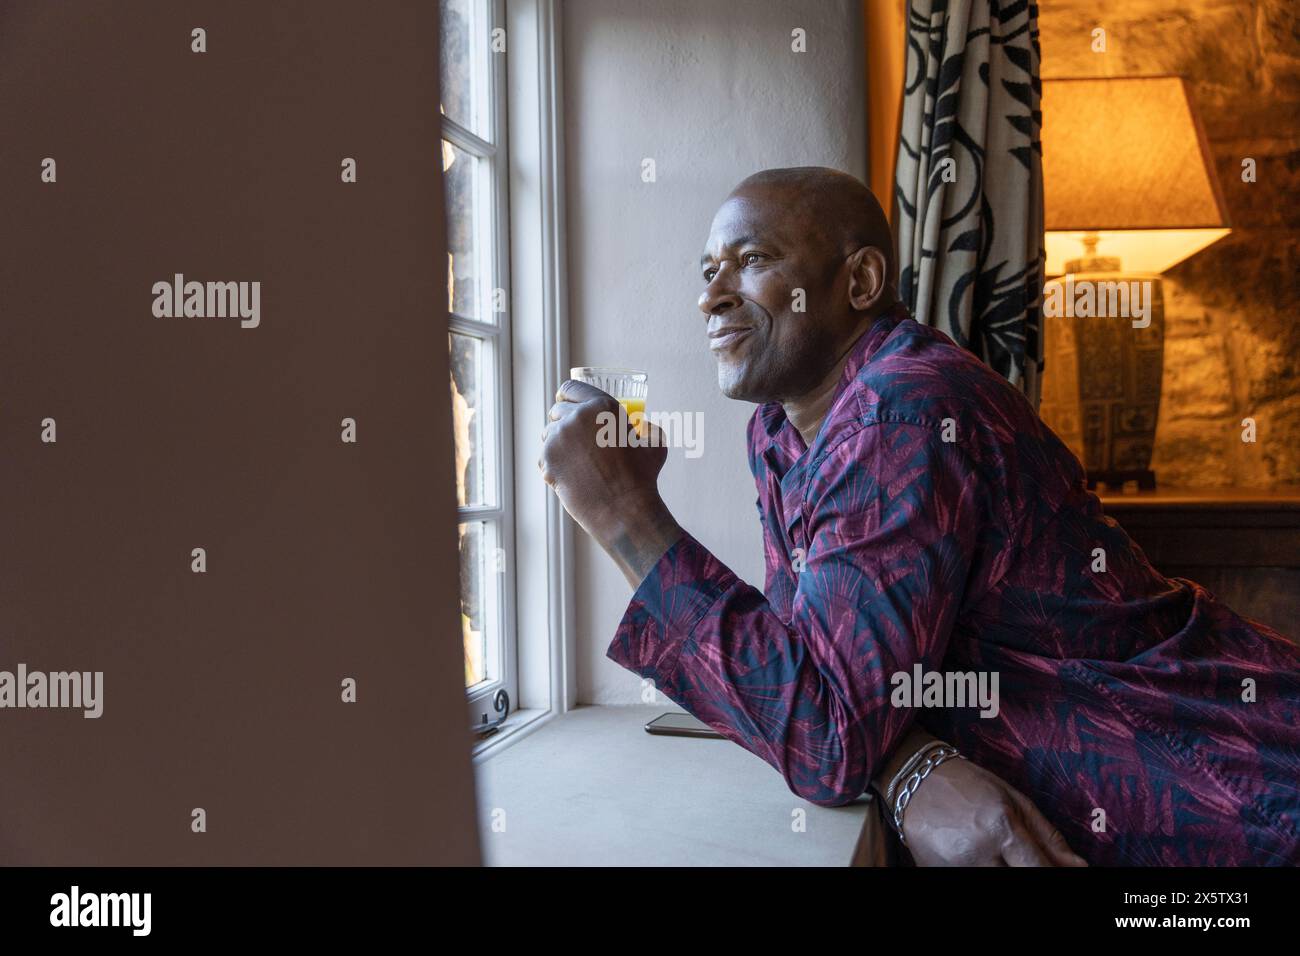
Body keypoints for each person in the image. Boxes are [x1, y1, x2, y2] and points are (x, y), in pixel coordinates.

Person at [539, 166, 1300, 866]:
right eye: (708, 271)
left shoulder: (902, 410)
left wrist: (627, 516)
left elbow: (826, 738)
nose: (711, 295)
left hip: (1224, 786)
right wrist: (912, 764)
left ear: (861, 280)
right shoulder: (782, 431)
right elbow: (819, 667)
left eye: (754, 259)